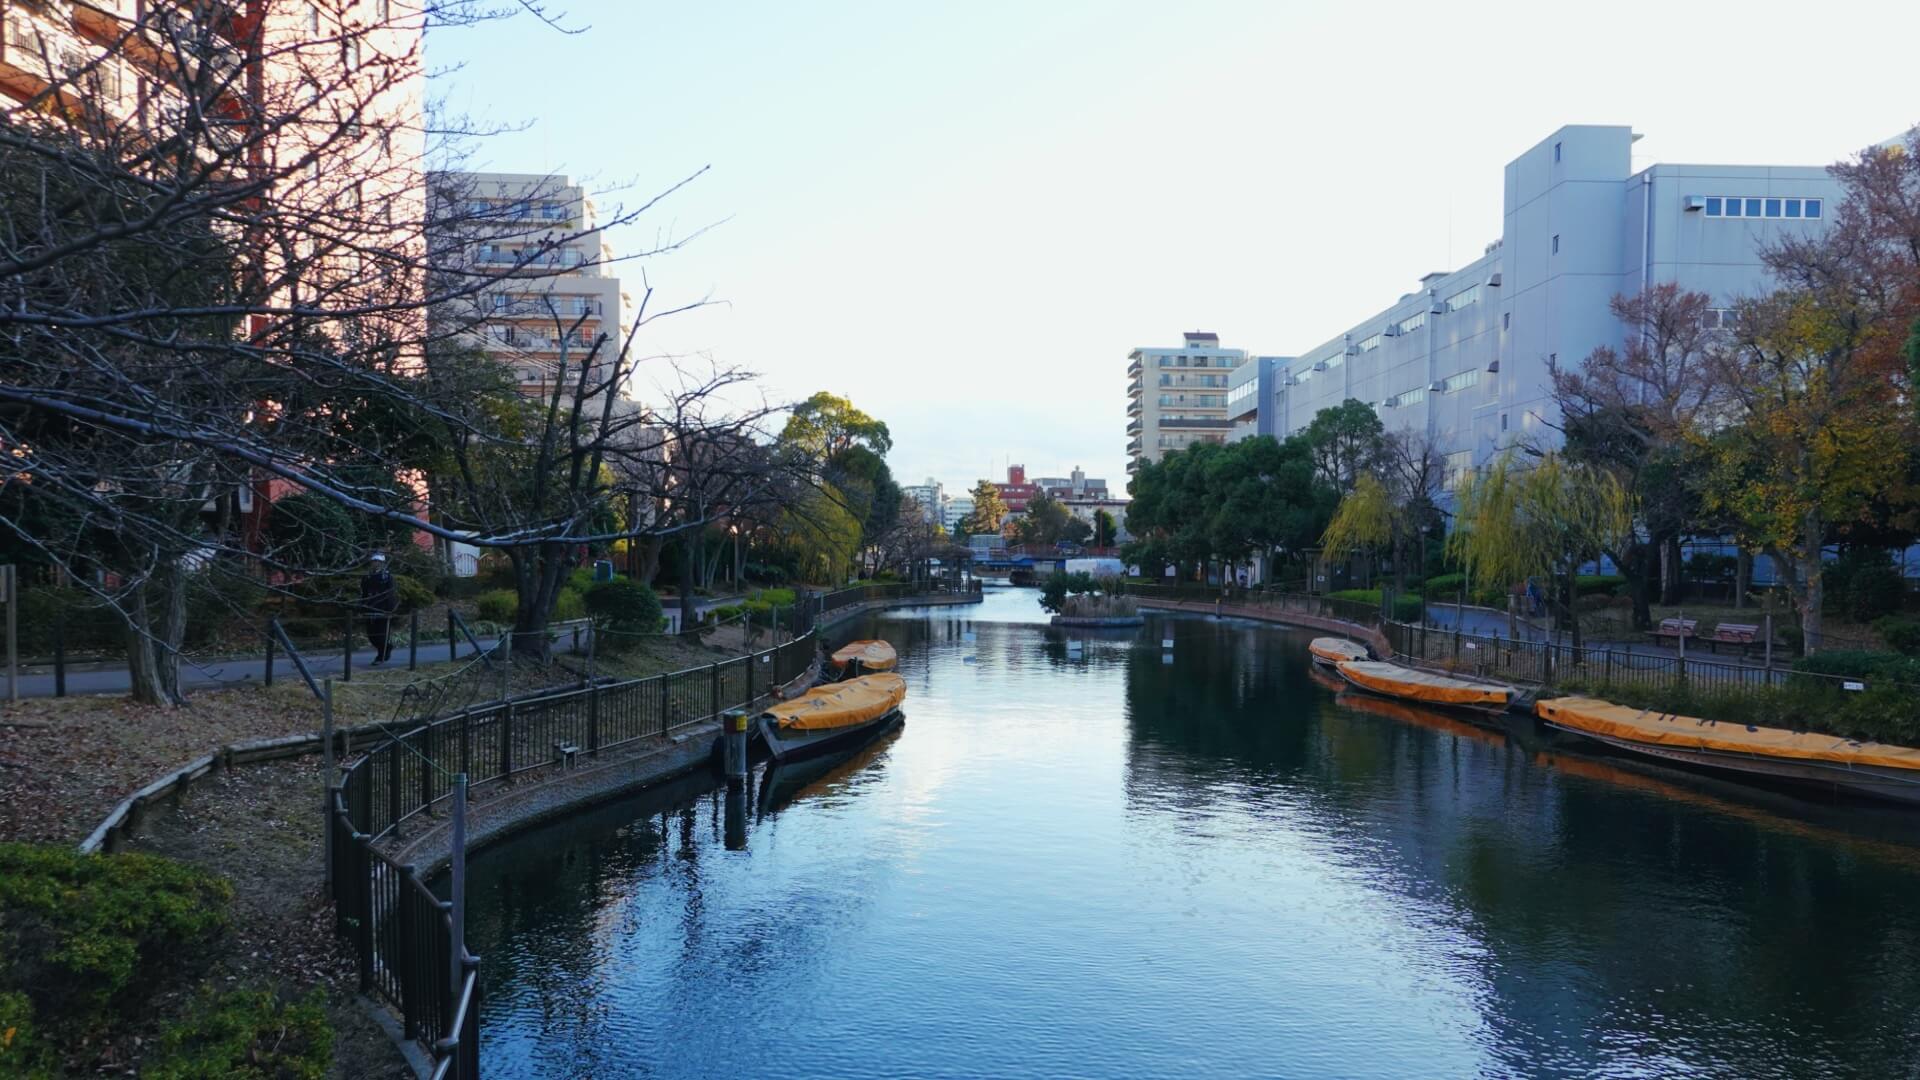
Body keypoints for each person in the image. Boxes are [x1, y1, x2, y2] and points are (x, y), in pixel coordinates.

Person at [360, 552, 399, 665]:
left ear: (382, 563)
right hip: (370, 608)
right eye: (374, 561)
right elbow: (364, 593)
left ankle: (381, 656)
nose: (375, 564)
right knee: (371, 636)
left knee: (381, 635)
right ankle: (386, 648)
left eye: (378, 562)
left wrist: (390, 609)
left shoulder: (387, 577)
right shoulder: (367, 577)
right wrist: (362, 607)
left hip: (383, 609)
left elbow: (390, 593)